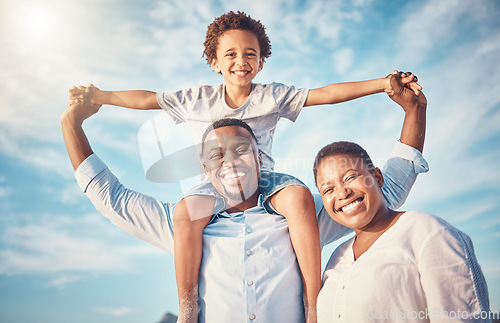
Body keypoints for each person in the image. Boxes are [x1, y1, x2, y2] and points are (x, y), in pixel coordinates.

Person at [69, 11, 422, 321]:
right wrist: (96, 99)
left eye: (250, 54)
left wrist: (384, 86)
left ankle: (315, 306)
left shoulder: (272, 97)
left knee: (298, 197)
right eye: (231, 54)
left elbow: (326, 95)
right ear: (215, 62)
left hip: (269, 182)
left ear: (262, 61)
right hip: (209, 191)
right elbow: (145, 102)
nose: (241, 62)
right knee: (185, 213)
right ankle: (187, 312)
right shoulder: (196, 100)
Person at [313, 86, 490, 322]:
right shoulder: (337, 259)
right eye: (328, 189)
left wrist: (415, 109)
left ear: (377, 177)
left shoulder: (426, 232)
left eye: (350, 177)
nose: (342, 193)